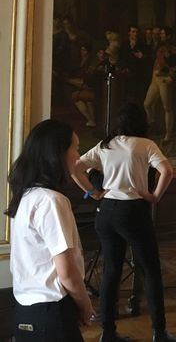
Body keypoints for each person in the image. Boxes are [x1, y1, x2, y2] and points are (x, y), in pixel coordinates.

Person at [72, 103, 176, 342]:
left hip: (107, 210)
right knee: (151, 271)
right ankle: (159, 332)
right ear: (142, 121)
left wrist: (93, 192)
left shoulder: (105, 145)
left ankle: (108, 333)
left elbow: (76, 168)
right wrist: (154, 197)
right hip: (133, 210)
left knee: (111, 271)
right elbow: (167, 171)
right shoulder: (145, 144)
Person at [7, 119, 95, 341]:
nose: (78, 155)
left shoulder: (27, 195)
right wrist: (85, 306)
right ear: (57, 153)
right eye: (75, 148)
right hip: (51, 311)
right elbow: (66, 271)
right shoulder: (52, 200)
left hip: (24, 310)